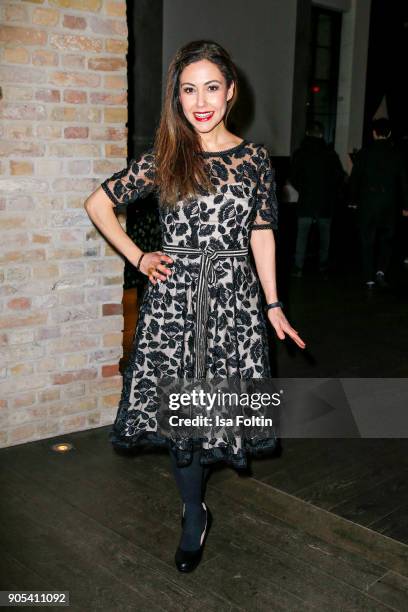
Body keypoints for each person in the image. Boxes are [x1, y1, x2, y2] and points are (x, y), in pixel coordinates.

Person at [84, 40, 306, 573]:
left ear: (231, 93)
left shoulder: (253, 160)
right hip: (175, 302)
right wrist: (139, 256)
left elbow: (262, 233)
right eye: (188, 89)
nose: (200, 100)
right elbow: (98, 203)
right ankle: (192, 513)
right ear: (177, 98)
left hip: (232, 303)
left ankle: (197, 488)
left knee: (216, 413)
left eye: (211, 87)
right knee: (179, 424)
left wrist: (273, 303)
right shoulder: (166, 156)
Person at [350, 117, 408, 289]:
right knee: (387, 240)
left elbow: (355, 180)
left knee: (367, 240)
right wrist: (406, 206)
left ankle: (368, 277)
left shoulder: (363, 154)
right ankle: (381, 271)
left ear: (373, 133)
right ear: (389, 134)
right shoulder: (396, 155)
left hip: (368, 204)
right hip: (389, 204)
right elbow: (404, 182)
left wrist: (353, 201)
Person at [289, 121, 345, 278]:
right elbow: (338, 177)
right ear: (321, 134)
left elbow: (293, 177)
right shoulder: (330, 154)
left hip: (306, 200)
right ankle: (323, 265)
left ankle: (298, 266)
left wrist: (303, 189)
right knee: (324, 236)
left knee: (302, 237)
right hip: (324, 202)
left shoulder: (300, 153)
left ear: (307, 133)